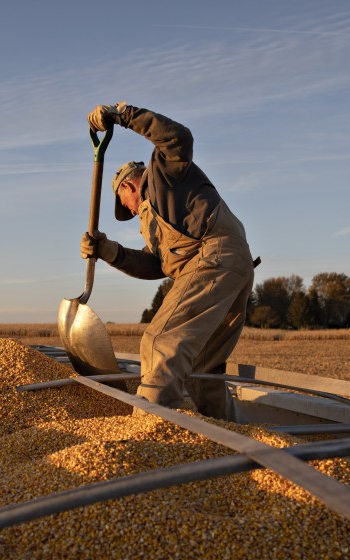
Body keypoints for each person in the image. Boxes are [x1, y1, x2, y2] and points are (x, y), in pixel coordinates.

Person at [83, 102, 258, 422]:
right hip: (229, 267)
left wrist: (123, 115)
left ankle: (148, 430)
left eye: (127, 206)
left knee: (161, 341)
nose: (132, 213)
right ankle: (232, 438)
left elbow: (179, 138)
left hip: (215, 257)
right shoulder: (159, 223)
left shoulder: (164, 175)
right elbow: (157, 266)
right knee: (203, 372)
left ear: (128, 185)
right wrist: (108, 252)